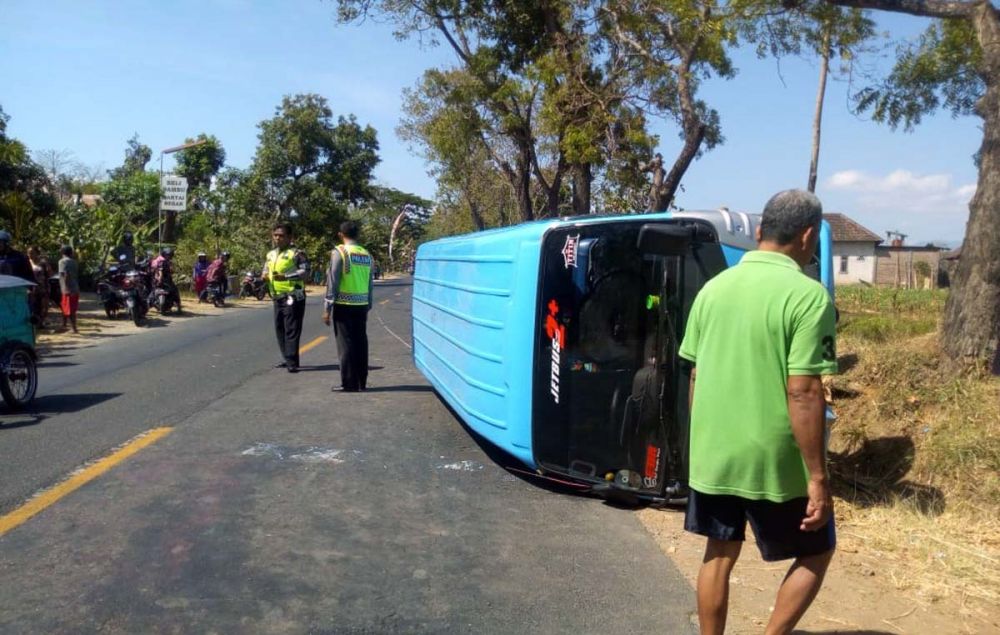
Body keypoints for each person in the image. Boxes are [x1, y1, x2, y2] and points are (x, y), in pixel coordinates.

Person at [678, 189, 838, 635]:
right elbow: (804, 392)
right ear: (808, 236)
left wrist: (702, 443)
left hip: (716, 451)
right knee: (817, 550)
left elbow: (696, 375)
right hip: (772, 458)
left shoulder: (713, 290)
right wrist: (817, 477)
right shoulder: (808, 298)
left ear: (763, 232)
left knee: (719, 552)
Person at [323, 220, 373, 392]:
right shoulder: (366, 254)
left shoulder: (340, 252)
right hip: (361, 304)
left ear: (340, 235)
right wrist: (369, 304)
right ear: (357, 235)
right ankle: (361, 382)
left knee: (345, 345)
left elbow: (333, 282)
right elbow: (369, 283)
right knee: (361, 343)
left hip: (344, 305)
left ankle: (349, 383)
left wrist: (327, 308)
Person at [264, 223, 309, 373]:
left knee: (292, 328)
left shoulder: (297, 253)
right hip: (277, 296)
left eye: (281, 235)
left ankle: (292, 361)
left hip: (293, 296)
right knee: (280, 328)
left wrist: (287, 276)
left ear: (290, 237)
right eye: (275, 235)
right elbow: (266, 270)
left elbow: (305, 272)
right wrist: (264, 276)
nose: (278, 238)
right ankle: (287, 357)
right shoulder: (270, 254)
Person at [27, 246, 52, 327]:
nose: (30, 255)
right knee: (33, 307)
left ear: (37, 254)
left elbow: (50, 274)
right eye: (29, 253)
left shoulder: (43, 263)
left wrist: (47, 263)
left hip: (43, 287)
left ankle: (41, 322)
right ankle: (35, 323)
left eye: (32, 253)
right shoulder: (27, 262)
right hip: (31, 289)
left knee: (44, 307)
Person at [58, 245, 81, 334]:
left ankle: (74, 328)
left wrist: (67, 288)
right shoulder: (74, 262)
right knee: (66, 307)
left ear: (62, 252)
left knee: (69, 309)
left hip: (68, 289)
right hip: (75, 287)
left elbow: (65, 274)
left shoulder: (62, 262)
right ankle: (64, 325)